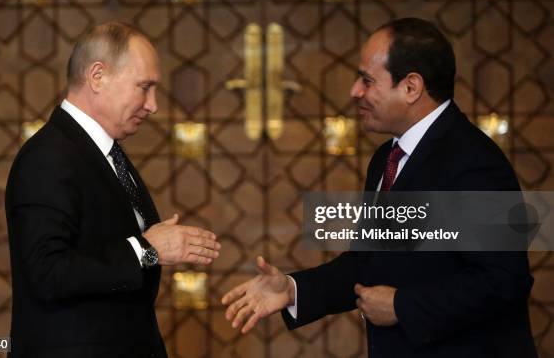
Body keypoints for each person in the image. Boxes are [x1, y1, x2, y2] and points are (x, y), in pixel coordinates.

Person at [221, 18, 537, 357]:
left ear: (411, 87)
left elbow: (505, 281)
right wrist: (293, 289)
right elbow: (368, 263)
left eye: (367, 80)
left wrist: (402, 306)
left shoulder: (473, 162)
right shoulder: (387, 158)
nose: (355, 91)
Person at [6, 22, 221, 358]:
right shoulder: (48, 156)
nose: (153, 105)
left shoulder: (104, 152)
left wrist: (149, 246)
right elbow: (47, 273)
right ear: (97, 77)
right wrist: (147, 249)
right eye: (144, 87)